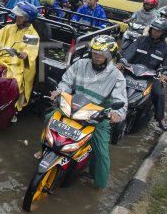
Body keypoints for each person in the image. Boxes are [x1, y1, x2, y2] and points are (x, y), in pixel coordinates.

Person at [50, 36, 127, 189]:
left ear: (109, 56)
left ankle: (100, 186)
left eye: (101, 54)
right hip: (73, 110)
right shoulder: (80, 64)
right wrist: (59, 92)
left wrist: (116, 113)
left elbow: (121, 99)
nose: (97, 57)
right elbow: (66, 81)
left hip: (97, 118)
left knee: (101, 154)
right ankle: (45, 152)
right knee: (49, 120)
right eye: (94, 52)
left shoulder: (117, 76)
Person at [0, 1, 40, 114]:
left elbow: (31, 51)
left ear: (27, 18)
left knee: (13, 82)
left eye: (20, 16)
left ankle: (10, 109)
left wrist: (25, 54)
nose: (17, 17)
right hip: (1, 59)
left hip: (18, 65)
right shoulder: (9, 28)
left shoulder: (33, 35)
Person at [118, 18, 167, 131]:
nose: (154, 32)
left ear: (164, 33)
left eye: (158, 31)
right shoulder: (140, 40)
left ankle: (160, 119)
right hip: (131, 72)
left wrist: (165, 74)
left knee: (158, 94)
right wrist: (121, 62)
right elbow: (129, 53)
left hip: (151, 77)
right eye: (153, 29)